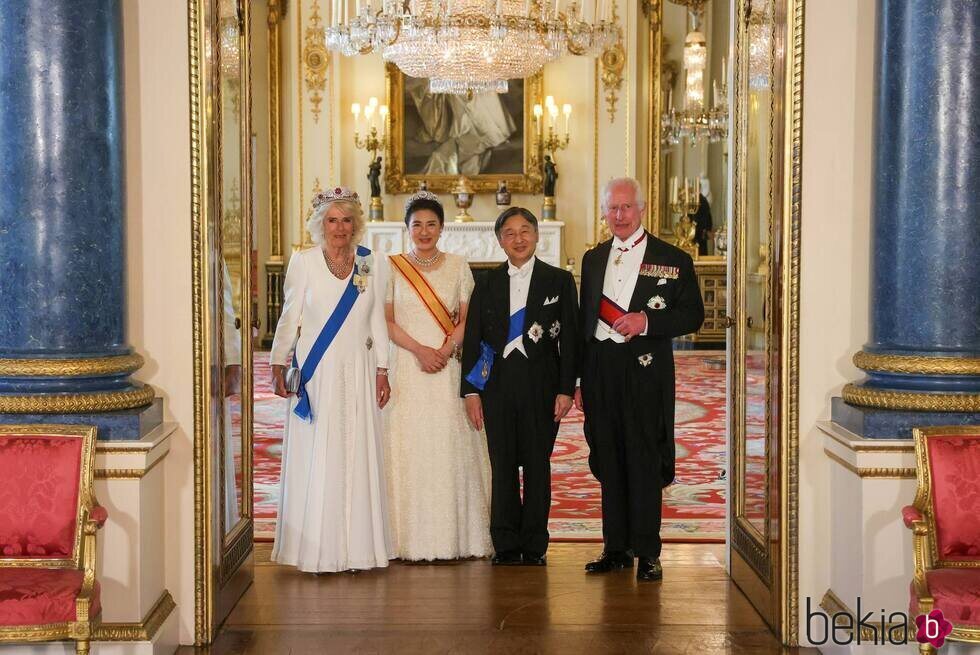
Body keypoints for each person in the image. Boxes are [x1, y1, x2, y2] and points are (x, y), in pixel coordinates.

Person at [575, 177, 705, 582]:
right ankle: (615, 548)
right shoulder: (592, 259)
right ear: (604, 211)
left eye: (627, 207)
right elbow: (584, 323)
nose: (619, 215)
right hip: (601, 371)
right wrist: (580, 379)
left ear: (642, 209)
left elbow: (693, 316)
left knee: (645, 459)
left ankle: (648, 552)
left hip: (646, 371)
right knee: (609, 458)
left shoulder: (673, 258)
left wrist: (647, 321)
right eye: (612, 208)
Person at [269, 186, 394, 573]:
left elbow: (376, 318)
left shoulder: (370, 262)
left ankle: (358, 549)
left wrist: (383, 368)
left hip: (358, 365)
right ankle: (316, 551)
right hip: (316, 370)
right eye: (332, 220)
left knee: (355, 447)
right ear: (319, 224)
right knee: (318, 450)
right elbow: (290, 317)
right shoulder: (303, 261)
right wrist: (277, 362)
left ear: (356, 224)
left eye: (346, 220)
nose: (340, 228)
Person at [461, 207, 579, 566]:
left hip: (542, 387)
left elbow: (571, 339)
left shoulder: (558, 280)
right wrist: (470, 391)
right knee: (503, 464)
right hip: (496, 387)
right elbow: (473, 338)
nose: (518, 239)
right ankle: (507, 543)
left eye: (525, 230)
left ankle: (535, 544)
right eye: (509, 233)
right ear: (499, 241)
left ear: (537, 235)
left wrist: (565, 389)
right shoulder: (486, 283)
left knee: (538, 465)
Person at [383, 191, 493, 561]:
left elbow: (467, 318)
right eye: (418, 225)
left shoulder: (459, 265)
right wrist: (419, 350)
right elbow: (387, 320)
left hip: (447, 368)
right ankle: (403, 538)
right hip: (408, 366)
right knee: (408, 443)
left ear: (442, 228)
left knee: (447, 442)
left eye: (432, 224)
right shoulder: (392, 266)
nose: (425, 231)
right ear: (408, 228)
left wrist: (444, 351)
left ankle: (454, 536)